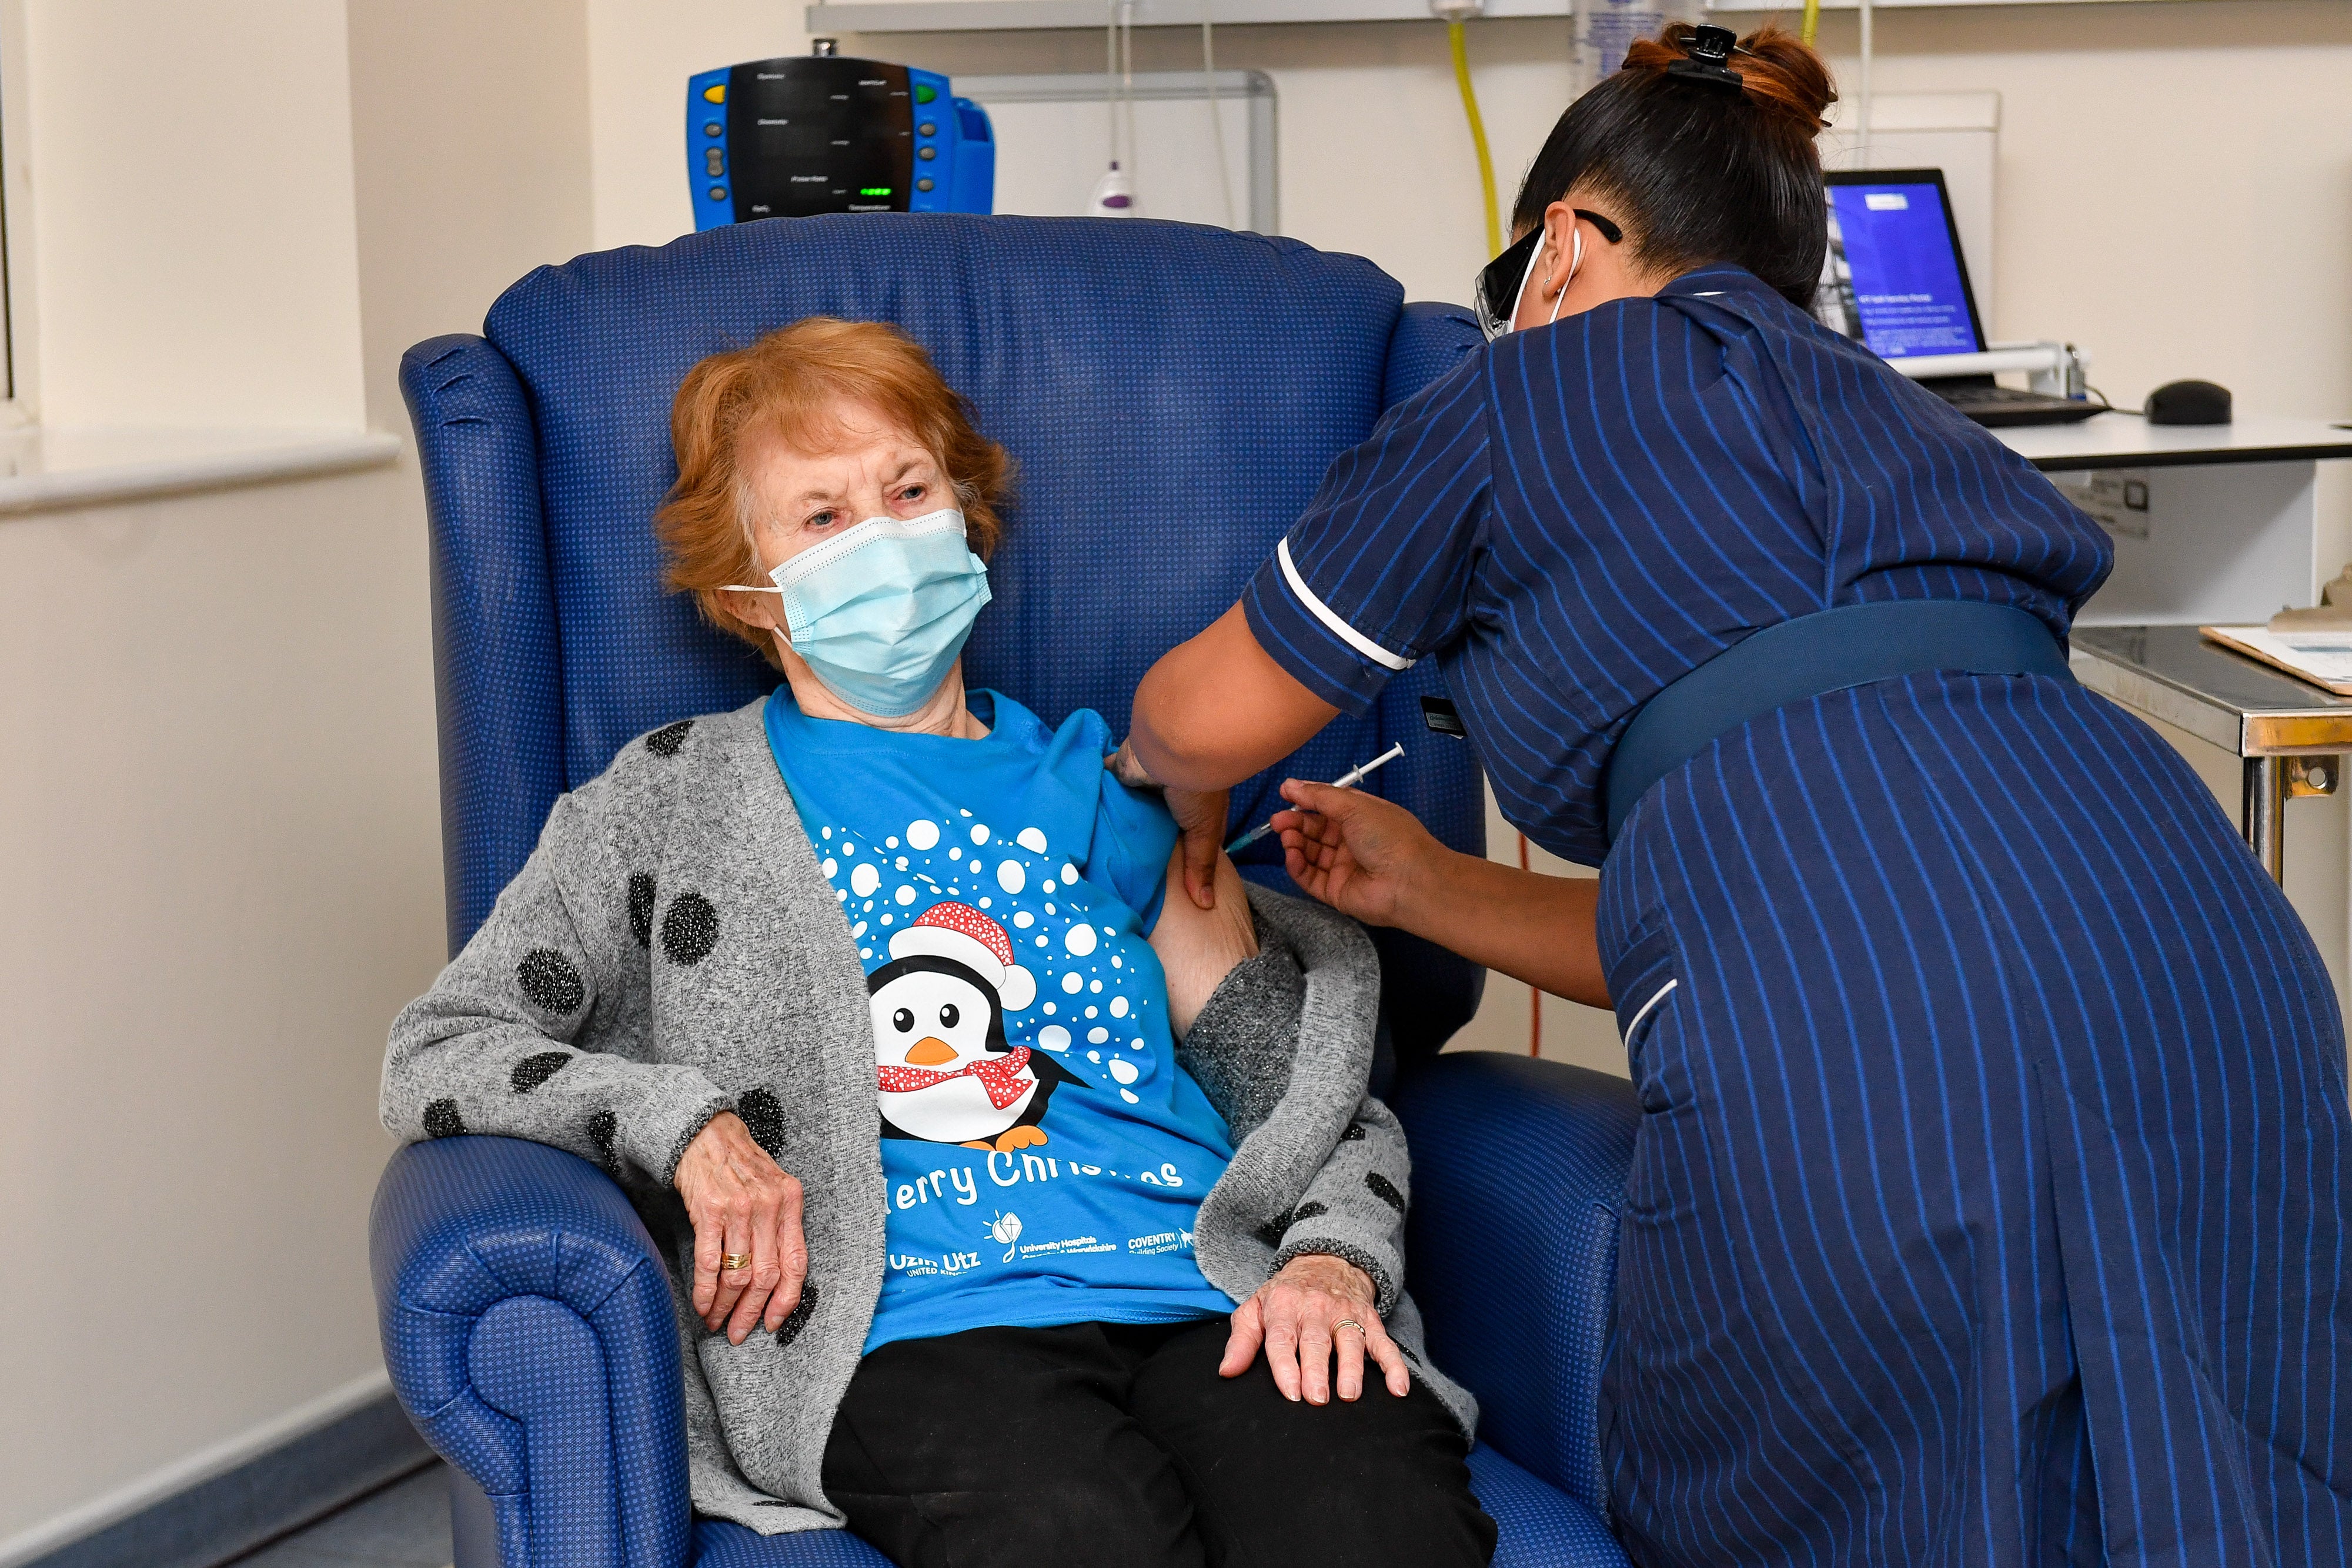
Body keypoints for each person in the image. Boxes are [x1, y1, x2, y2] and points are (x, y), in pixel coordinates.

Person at [1122, 22, 2352, 1568]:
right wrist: (1431, 886)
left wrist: (1146, 776)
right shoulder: (1901, 413)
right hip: (2201, 959)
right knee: (2224, 1476)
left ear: (1564, 244)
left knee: (1869, 1491)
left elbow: (1206, 712)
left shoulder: (1529, 392)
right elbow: (1736, 912)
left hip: (1879, 1035)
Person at [380, 317, 1496, 1568]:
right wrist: (683, 1125)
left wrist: (1332, 1261)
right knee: (1085, 1544)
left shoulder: (1114, 789)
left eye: (908, 490)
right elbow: (441, 1048)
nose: (883, 537)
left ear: (964, 511)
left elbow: (1297, 1093)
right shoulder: (668, 803)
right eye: (820, 516)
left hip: (1201, 1284)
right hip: (911, 1323)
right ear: (745, 589)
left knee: (1379, 1528)